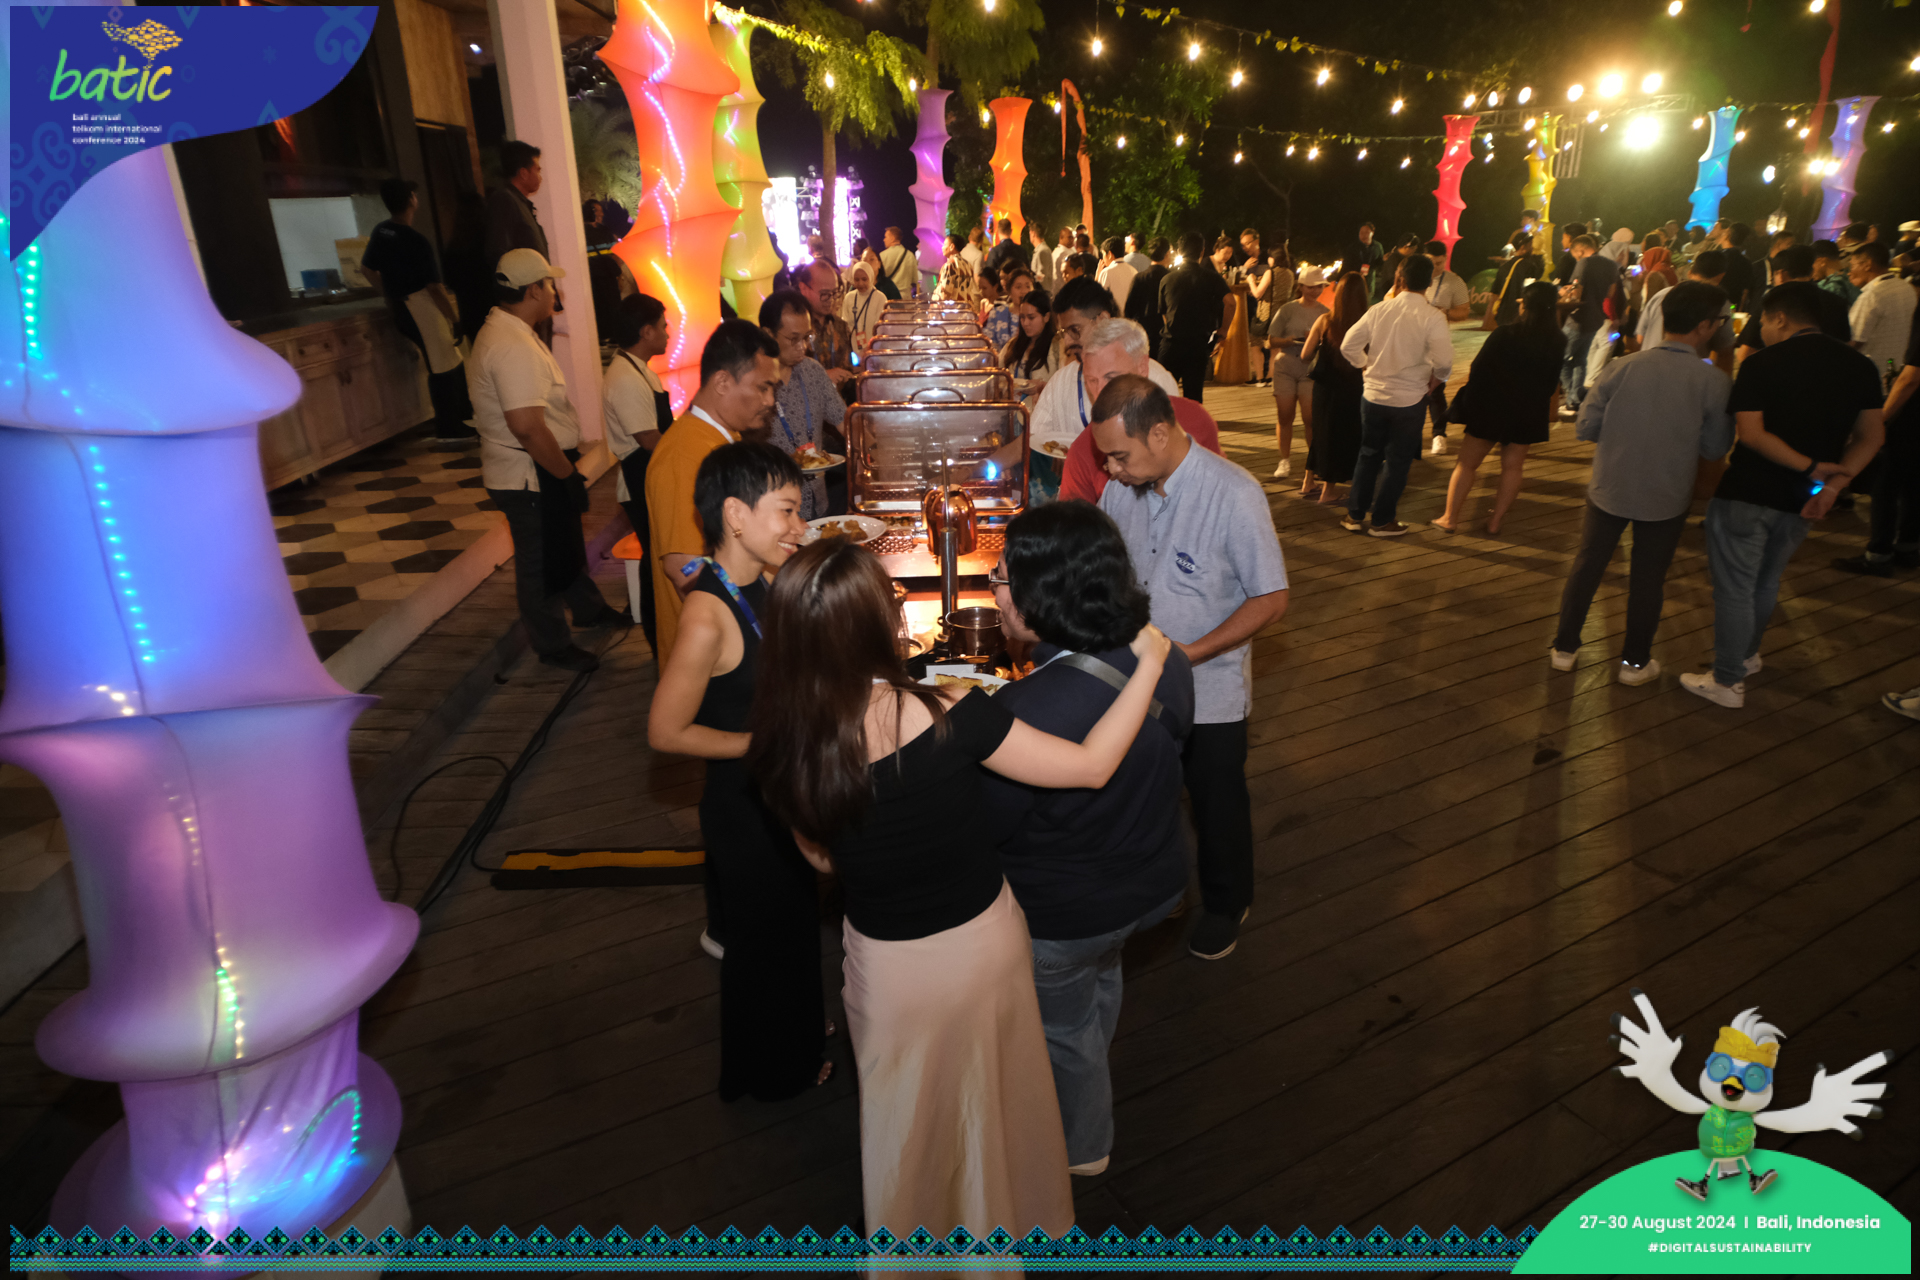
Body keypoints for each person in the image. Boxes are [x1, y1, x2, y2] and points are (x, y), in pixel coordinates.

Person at [749, 540, 1171, 1242]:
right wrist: (1150, 662)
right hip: (983, 942)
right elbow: (1091, 767)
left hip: (890, 965)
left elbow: (821, 861)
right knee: (998, 1091)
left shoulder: (780, 744)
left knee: (910, 1121)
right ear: (883, 625)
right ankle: (1017, 1214)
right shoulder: (949, 708)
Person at [983, 502, 1194, 1176]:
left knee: (1062, 1031)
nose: (995, 591)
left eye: (1000, 578)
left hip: (1066, 914)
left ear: (1039, 596)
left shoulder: (1026, 710)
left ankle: (1083, 1151)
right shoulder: (1166, 658)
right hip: (1154, 884)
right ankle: (1089, 1078)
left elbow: (988, 827)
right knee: (1101, 977)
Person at [645, 442, 828, 1101]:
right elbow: (665, 731)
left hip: (778, 792)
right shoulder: (707, 613)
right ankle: (772, 1077)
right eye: (786, 510)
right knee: (763, 943)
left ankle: (797, 1041)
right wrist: (762, 742)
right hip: (745, 807)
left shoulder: (764, 582)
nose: (798, 526)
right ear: (735, 514)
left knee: (791, 929)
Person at [1091, 376, 1290, 960]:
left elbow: (1272, 599)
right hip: (1135, 685)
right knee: (1146, 796)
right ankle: (1162, 892)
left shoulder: (1234, 494)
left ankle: (1228, 904)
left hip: (1209, 691)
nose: (1111, 470)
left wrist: (1187, 654)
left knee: (1215, 802)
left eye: (1119, 456)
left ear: (1159, 433)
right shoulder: (1121, 490)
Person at [1685, 283, 1887, 708]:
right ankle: (1746, 658)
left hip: (1748, 491)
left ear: (1780, 317)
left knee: (1735, 588)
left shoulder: (1762, 364)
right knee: (1766, 579)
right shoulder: (1860, 366)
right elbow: (1872, 436)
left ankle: (1726, 681)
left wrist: (1809, 466)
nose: (1762, 328)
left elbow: (1751, 434)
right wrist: (1831, 484)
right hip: (1803, 499)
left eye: (1763, 320)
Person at [1547, 282, 1735, 682]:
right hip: (1667, 494)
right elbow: (1715, 446)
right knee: (1648, 578)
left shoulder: (1622, 366)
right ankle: (1634, 663)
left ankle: (1564, 648)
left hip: (1610, 486)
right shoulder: (1714, 382)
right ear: (1704, 326)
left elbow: (1585, 427)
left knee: (1587, 565)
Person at [468, 248, 621, 673]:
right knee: (539, 562)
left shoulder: (511, 331)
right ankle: (552, 644)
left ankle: (588, 609)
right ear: (534, 290)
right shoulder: (511, 344)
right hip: (528, 471)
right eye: (550, 284)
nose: (555, 291)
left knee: (563, 543)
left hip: (537, 466)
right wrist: (567, 474)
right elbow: (527, 427)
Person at [646, 320, 782, 665]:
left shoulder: (723, 438)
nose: (770, 401)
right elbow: (686, 570)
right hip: (715, 659)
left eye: (773, 389)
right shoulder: (685, 455)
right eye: (763, 388)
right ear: (722, 382)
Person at [1432, 281, 1567, 536]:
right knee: (1513, 467)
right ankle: (1495, 522)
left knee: (1467, 464)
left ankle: (1449, 518)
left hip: (1490, 407)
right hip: (1528, 411)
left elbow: (1478, 368)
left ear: (1526, 305)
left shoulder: (1506, 333)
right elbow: (1552, 382)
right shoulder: (1558, 340)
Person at [1028, 281, 1183, 500]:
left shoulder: (1156, 380)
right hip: (1082, 501)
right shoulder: (1062, 380)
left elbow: (1172, 460)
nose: (1068, 341)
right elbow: (1037, 435)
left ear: (1102, 319)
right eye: (1064, 332)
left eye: (1075, 330)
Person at [1338, 254, 1452, 536]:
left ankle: (1354, 515)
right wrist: (1436, 381)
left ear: (1400, 278)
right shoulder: (1433, 316)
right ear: (1429, 282)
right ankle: (1382, 521)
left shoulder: (1379, 309)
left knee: (1368, 455)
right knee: (1398, 461)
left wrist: (1364, 365)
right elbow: (1444, 362)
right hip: (1410, 398)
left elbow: (1348, 345)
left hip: (1373, 396)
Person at [1058, 318, 1224, 504]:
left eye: (1111, 378)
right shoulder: (1083, 451)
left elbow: (1221, 493)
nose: (1100, 393)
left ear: (1143, 368)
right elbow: (1072, 522)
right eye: (1091, 381)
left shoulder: (1195, 420)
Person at [360, 178, 475, 445]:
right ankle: (449, 427)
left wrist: (389, 294)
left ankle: (461, 419)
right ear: (412, 199)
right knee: (443, 364)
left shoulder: (382, 231)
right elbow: (434, 287)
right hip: (421, 306)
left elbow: (367, 269)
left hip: (401, 306)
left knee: (446, 359)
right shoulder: (416, 241)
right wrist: (454, 318)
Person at [604, 293, 674, 649]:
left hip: (651, 472)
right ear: (646, 332)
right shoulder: (625, 378)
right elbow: (648, 439)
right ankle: (656, 634)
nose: (668, 332)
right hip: (640, 476)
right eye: (663, 326)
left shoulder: (640, 369)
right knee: (655, 559)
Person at [1834, 308, 1920, 576]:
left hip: (1912, 414)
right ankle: (1908, 547)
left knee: (1886, 481)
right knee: (1914, 480)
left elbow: (1911, 377)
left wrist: (1880, 419)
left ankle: (1879, 555)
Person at [759, 290, 846, 521]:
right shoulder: (753, 382)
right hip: (772, 511)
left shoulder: (812, 371)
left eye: (807, 337)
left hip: (817, 501)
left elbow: (844, 421)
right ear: (768, 335)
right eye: (793, 339)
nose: (803, 346)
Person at [1300, 271, 1368, 504]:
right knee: (1342, 436)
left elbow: (1305, 354)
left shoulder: (1324, 320)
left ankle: (1308, 481)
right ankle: (1328, 491)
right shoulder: (1365, 323)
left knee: (1321, 432)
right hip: (1351, 387)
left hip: (1324, 388)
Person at [1732, 245, 1851, 362]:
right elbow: (1845, 349)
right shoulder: (1837, 302)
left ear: (1782, 274)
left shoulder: (1773, 301)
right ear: (1811, 271)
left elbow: (1744, 354)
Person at [1269, 267, 1328, 481]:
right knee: (1285, 415)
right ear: (1301, 287)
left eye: (1319, 287)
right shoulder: (1287, 309)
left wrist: (1315, 339)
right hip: (1286, 364)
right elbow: (1271, 340)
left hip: (1310, 368)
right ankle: (1284, 459)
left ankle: (1313, 464)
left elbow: (1330, 342)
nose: (1315, 291)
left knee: (1310, 417)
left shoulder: (1325, 312)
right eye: (1311, 287)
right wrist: (1289, 340)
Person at [1159, 233, 1232, 401]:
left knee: (1163, 397)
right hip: (1198, 344)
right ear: (1202, 251)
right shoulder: (1212, 278)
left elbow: (1163, 313)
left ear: (1179, 251)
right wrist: (1223, 330)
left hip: (1171, 344)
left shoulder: (1167, 279)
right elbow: (1231, 302)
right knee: (1194, 397)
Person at [1634, 248, 1735, 368]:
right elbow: (1725, 352)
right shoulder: (1718, 303)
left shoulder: (1661, 295)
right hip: (1687, 372)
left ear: (1690, 272)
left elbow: (1640, 338)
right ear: (1721, 276)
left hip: (1646, 367)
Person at [1557, 234, 1621, 418]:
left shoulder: (1584, 263)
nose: (1576, 258)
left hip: (1578, 318)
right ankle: (1575, 402)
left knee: (1559, 357)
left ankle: (1574, 398)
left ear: (1580, 250)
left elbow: (1576, 294)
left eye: (1575, 254)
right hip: (1596, 318)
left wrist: (1562, 291)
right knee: (1580, 360)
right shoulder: (1611, 264)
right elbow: (1610, 293)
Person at [1422, 241, 1472, 456]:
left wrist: (1445, 312)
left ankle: (1439, 435)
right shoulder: (1414, 276)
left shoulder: (1455, 282)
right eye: (1431, 263)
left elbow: (1464, 311)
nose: (1435, 268)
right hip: (1411, 343)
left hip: (1437, 343)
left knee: (1436, 391)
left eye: (1439, 263)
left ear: (1446, 259)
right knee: (1411, 390)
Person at [1848, 242, 1915, 388]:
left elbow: (1855, 341)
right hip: (1897, 374)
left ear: (1867, 265)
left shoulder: (1872, 295)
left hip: (1870, 376)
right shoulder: (1906, 288)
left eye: (1852, 266)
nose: (1849, 272)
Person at [484, 141, 549, 269]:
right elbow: (499, 253)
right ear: (523, 173)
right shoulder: (504, 200)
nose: (540, 177)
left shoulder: (520, 203)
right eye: (537, 170)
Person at [794, 260, 855, 387]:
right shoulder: (794, 329)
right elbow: (785, 377)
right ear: (803, 288)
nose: (831, 299)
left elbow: (848, 367)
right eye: (824, 294)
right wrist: (822, 376)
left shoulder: (840, 326)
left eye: (835, 293)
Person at [1003, 286, 1062, 390]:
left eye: (1031, 317)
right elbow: (998, 374)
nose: (1025, 323)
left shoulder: (1058, 346)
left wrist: (1042, 387)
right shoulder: (1013, 344)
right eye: (1022, 317)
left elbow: (1063, 385)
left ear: (1046, 317)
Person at [1126, 236, 1173, 356]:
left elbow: (1129, 310)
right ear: (1167, 254)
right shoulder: (1171, 278)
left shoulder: (1139, 277)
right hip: (1165, 334)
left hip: (1143, 332)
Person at [1487, 232, 1545, 327]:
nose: (1532, 248)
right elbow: (1530, 292)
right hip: (1519, 316)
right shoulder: (1529, 266)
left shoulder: (1503, 267)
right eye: (1530, 245)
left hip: (1502, 316)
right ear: (1523, 247)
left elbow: (1494, 294)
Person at [840, 260, 884, 348]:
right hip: (853, 347)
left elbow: (882, 328)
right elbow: (845, 324)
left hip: (874, 347)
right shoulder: (849, 297)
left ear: (871, 278)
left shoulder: (880, 298)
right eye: (856, 280)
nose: (860, 283)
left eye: (864, 279)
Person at [1343, 222, 1386, 302]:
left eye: (1366, 232)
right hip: (1354, 283)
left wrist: (1384, 260)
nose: (1364, 235)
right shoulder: (1353, 247)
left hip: (1368, 283)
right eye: (1361, 233)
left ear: (1372, 233)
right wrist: (1338, 281)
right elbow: (1345, 266)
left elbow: (1379, 264)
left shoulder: (1377, 246)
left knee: (1365, 304)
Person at [978, 266, 1019, 350]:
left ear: (995, 286)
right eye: (980, 288)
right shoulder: (983, 303)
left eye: (985, 288)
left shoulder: (1001, 306)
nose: (982, 291)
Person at [1812, 240, 1861, 307]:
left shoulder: (1831, 287)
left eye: (1811, 264)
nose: (1810, 270)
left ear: (1822, 261)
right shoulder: (1852, 277)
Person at [1096, 236, 1137, 315]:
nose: (1103, 259)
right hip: (1131, 319)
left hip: (1113, 319)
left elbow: (1099, 300)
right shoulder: (1133, 271)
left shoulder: (1106, 272)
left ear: (1110, 254)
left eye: (1103, 254)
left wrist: (1097, 277)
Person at [878, 226, 919, 299]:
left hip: (889, 297)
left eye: (885, 237)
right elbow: (915, 280)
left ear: (892, 238)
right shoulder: (910, 255)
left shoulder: (882, 256)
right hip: (906, 298)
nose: (884, 240)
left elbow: (879, 278)